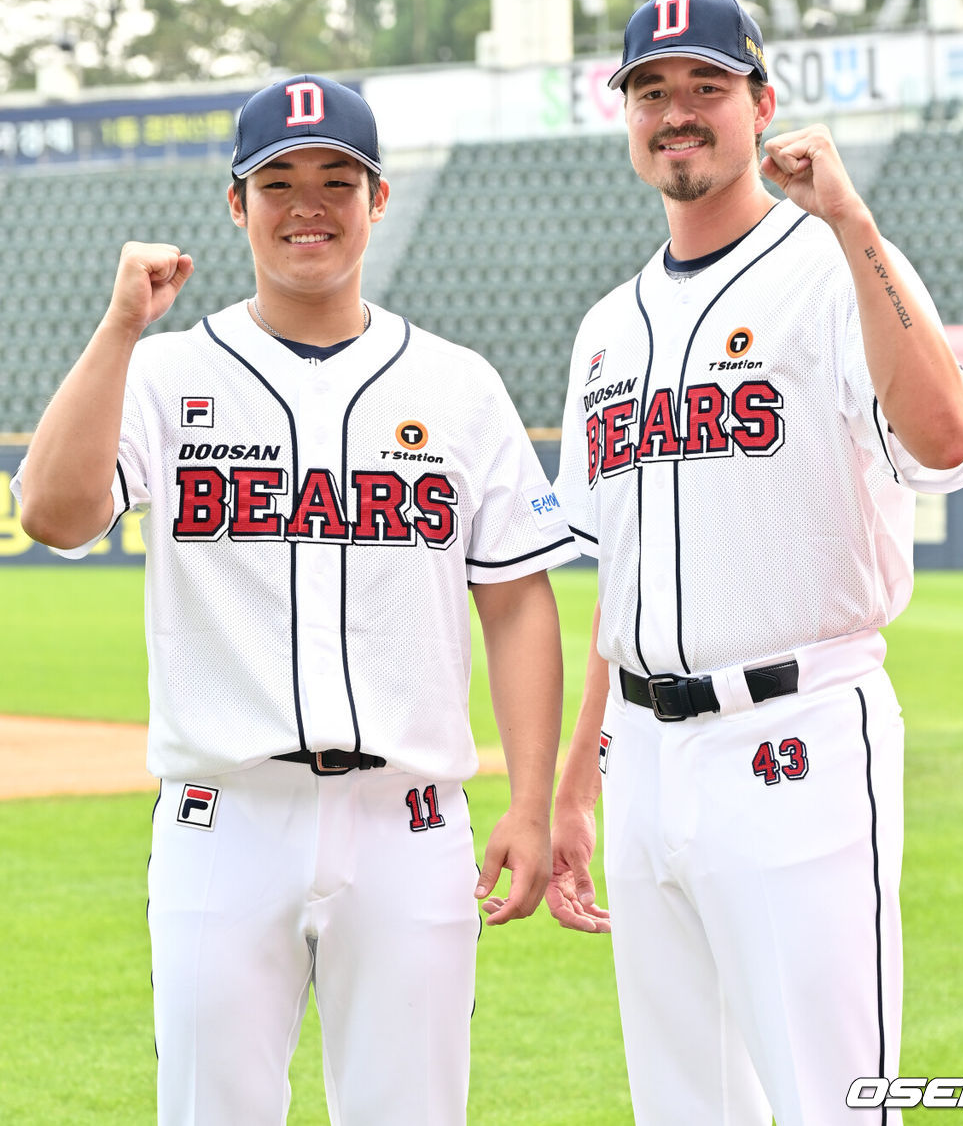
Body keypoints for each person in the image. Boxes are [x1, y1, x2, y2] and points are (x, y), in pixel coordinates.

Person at [13, 74, 578, 1124]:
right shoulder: (164, 370)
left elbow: (514, 598)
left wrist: (534, 801)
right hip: (224, 814)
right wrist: (118, 328)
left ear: (379, 199)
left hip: (409, 822)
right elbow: (53, 512)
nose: (307, 202)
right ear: (237, 203)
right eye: (278, 180)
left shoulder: (457, 383)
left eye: (336, 178)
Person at [543, 0, 963, 1124]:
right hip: (641, 754)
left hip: (794, 734)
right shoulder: (606, 325)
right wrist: (575, 785)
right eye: (653, 92)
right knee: (684, 1104)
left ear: (763, 103)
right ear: (629, 118)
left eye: (706, 87)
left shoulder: (838, 265)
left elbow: (944, 441)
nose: (677, 113)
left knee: (836, 1099)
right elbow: (618, 570)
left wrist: (851, 224)